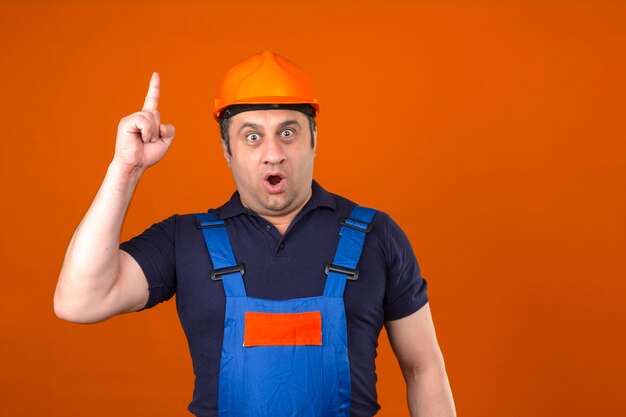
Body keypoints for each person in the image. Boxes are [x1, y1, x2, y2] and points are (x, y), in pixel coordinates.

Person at [55, 51, 456, 417]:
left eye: (288, 132)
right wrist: (125, 170)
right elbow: (79, 302)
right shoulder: (185, 240)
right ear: (227, 150)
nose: (273, 152)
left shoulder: (375, 235)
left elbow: (424, 367)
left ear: (314, 139)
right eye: (251, 136)